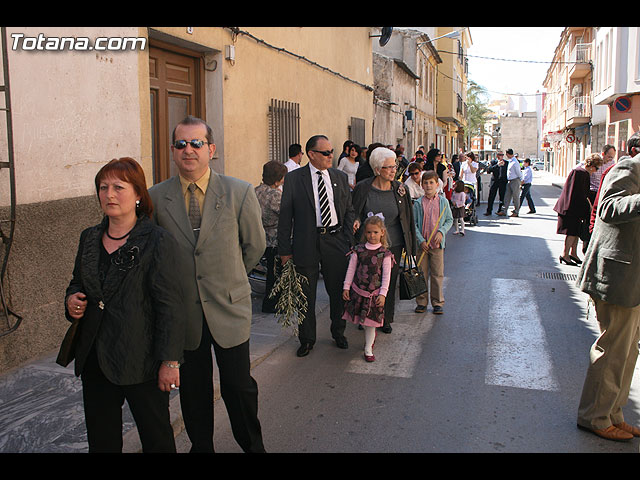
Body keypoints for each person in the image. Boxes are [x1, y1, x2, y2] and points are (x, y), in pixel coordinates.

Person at [148, 115, 266, 453]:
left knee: (239, 387)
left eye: (196, 143)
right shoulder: (157, 198)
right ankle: (202, 447)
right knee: (194, 391)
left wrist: (228, 278)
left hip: (229, 307)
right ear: (173, 151)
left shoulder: (238, 191)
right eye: (181, 144)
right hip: (184, 315)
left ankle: (253, 446)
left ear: (211, 149)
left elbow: (254, 246)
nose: (189, 150)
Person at [64, 157, 184, 453]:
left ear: (139, 194)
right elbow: (78, 281)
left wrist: (170, 362)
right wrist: (72, 299)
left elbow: (170, 306)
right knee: (101, 441)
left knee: (157, 439)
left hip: (141, 360)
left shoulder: (156, 240)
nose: (109, 194)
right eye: (103, 187)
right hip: (95, 358)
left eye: (119, 186)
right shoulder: (89, 237)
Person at [575, 148, 640, 442]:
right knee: (613, 348)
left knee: (628, 352)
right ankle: (595, 416)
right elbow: (608, 208)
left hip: (633, 279)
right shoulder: (629, 169)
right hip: (617, 277)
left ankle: (613, 413)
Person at [277, 134, 356, 357]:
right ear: (311, 154)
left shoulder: (339, 177)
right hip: (306, 242)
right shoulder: (294, 179)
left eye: (332, 151)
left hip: (335, 240)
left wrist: (348, 239)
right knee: (306, 294)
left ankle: (338, 332)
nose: (331, 156)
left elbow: (349, 210)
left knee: (338, 292)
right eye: (326, 153)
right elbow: (286, 218)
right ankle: (307, 339)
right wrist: (285, 250)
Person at [352, 146, 417, 334]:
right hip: (368, 245)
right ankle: (363, 316)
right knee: (366, 282)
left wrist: (410, 246)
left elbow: (407, 218)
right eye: (389, 167)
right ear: (377, 169)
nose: (394, 170)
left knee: (387, 282)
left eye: (394, 166)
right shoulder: (363, 188)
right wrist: (356, 221)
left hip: (393, 245)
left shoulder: (400, 189)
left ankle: (385, 318)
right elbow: (354, 212)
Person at [342, 214, 395, 363]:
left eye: (376, 232)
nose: (372, 235)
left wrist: (383, 294)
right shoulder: (358, 250)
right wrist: (346, 287)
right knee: (363, 322)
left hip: (374, 295)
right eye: (369, 232)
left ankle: (368, 348)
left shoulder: (385, 254)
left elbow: (386, 277)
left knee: (370, 324)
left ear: (382, 233)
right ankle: (369, 338)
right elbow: (351, 270)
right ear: (365, 233)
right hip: (359, 292)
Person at [412, 170, 453, 314]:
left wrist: (442, 232)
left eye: (431, 183)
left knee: (437, 273)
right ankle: (421, 301)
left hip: (437, 246)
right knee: (421, 273)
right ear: (422, 185)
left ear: (437, 184)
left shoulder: (443, 202)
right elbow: (414, 225)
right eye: (426, 183)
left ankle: (437, 302)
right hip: (422, 246)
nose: (428, 186)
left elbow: (449, 220)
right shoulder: (417, 204)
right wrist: (420, 240)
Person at [552, 153, 603, 267]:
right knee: (571, 232)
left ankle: (573, 253)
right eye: (597, 167)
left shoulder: (581, 172)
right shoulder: (581, 173)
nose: (596, 170)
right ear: (591, 165)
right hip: (571, 208)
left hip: (573, 208)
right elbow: (580, 193)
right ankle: (565, 254)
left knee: (575, 232)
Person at [255, 161, 288, 313]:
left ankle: (271, 303)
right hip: (274, 238)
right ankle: (272, 304)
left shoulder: (256, 190)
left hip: (260, 236)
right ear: (277, 179)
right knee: (275, 274)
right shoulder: (275, 195)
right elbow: (287, 214)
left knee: (271, 272)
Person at [500, 149, 523, 217]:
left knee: (515, 197)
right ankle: (504, 210)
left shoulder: (515, 162)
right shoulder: (510, 161)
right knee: (507, 196)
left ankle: (516, 212)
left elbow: (518, 172)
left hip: (515, 180)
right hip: (510, 181)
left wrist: (521, 180)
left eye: (506, 154)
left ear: (508, 154)